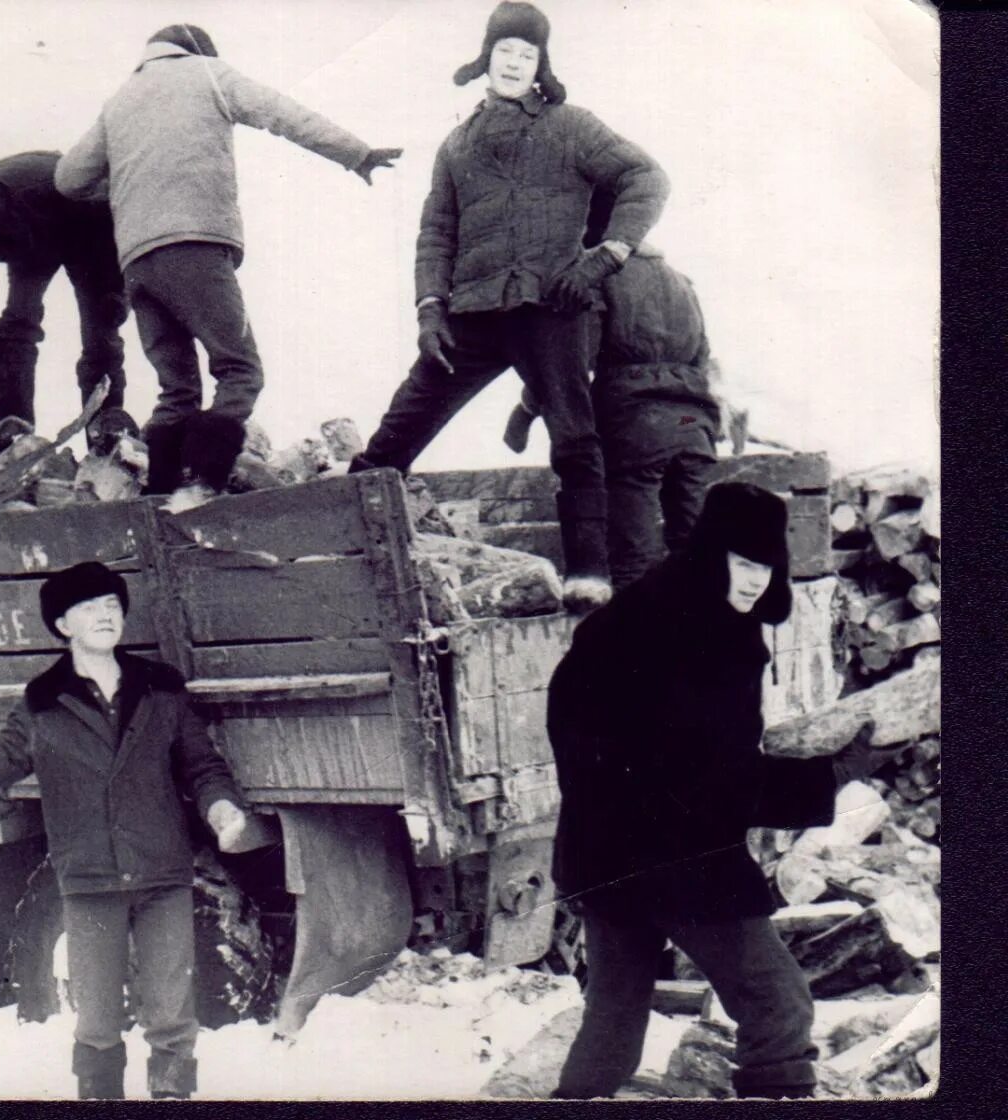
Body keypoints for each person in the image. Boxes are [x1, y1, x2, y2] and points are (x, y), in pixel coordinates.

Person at [545, 482, 898, 1099]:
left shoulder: (633, 613)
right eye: (743, 562)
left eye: (766, 566)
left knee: (613, 1023)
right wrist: (833, 774)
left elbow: (586, 732)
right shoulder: (710, 638)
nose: (756, 580)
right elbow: (716, 779)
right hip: (679, 861)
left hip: (603, 855)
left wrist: (606, 801)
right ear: (713, 554)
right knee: (779, 1007)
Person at [0, 561, 251, 1101]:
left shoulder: (161, 689)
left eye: (113, 606)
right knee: (97, 1023)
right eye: (89, 608)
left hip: (162, 875)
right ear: (62, 625)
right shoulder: (42, 702)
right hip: (90, 882)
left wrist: (222, 807)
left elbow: (203, 765)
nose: (106, 616)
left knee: (172, 1018)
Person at [348, 0, 668, 611]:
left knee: (574, 437)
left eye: (527, 54)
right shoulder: (457, 144)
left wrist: (603, 258)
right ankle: (342, 538)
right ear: (486, 60)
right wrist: (429, 311)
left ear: (540, 65)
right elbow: (436, 234)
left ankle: (589, 575)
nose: (516, 63)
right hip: (471, 313)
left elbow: (646, 178)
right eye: (506, 52)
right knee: (404, 424)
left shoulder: (572, 126)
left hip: (552, 306)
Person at [55, 23, 402, 511]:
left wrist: (126, 195)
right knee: (240, 369)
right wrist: (356, 154)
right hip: (194, 245)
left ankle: (160, 495)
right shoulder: (208, 74)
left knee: (176, 389)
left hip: (136, 262)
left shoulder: (120, 100)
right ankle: (203, 481)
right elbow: (283, 113)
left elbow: (68, 178)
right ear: (199, 51)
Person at [501, 190, 723, 589]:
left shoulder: (598, 276)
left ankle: (635, 647)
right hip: (696, 425)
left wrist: (525, 410)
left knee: (633, 559)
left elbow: (571, 362)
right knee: (698, 553)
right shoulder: (681, 282)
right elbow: (703, 359)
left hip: (635, 426)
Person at [0, 152, 130, 456]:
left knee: (100, 327)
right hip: (28, 243)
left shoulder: (54, 189)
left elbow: (108, 224)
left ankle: (107, 420)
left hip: (83, 230)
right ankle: (13, 419)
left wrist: (115, 292)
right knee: (18, 320)